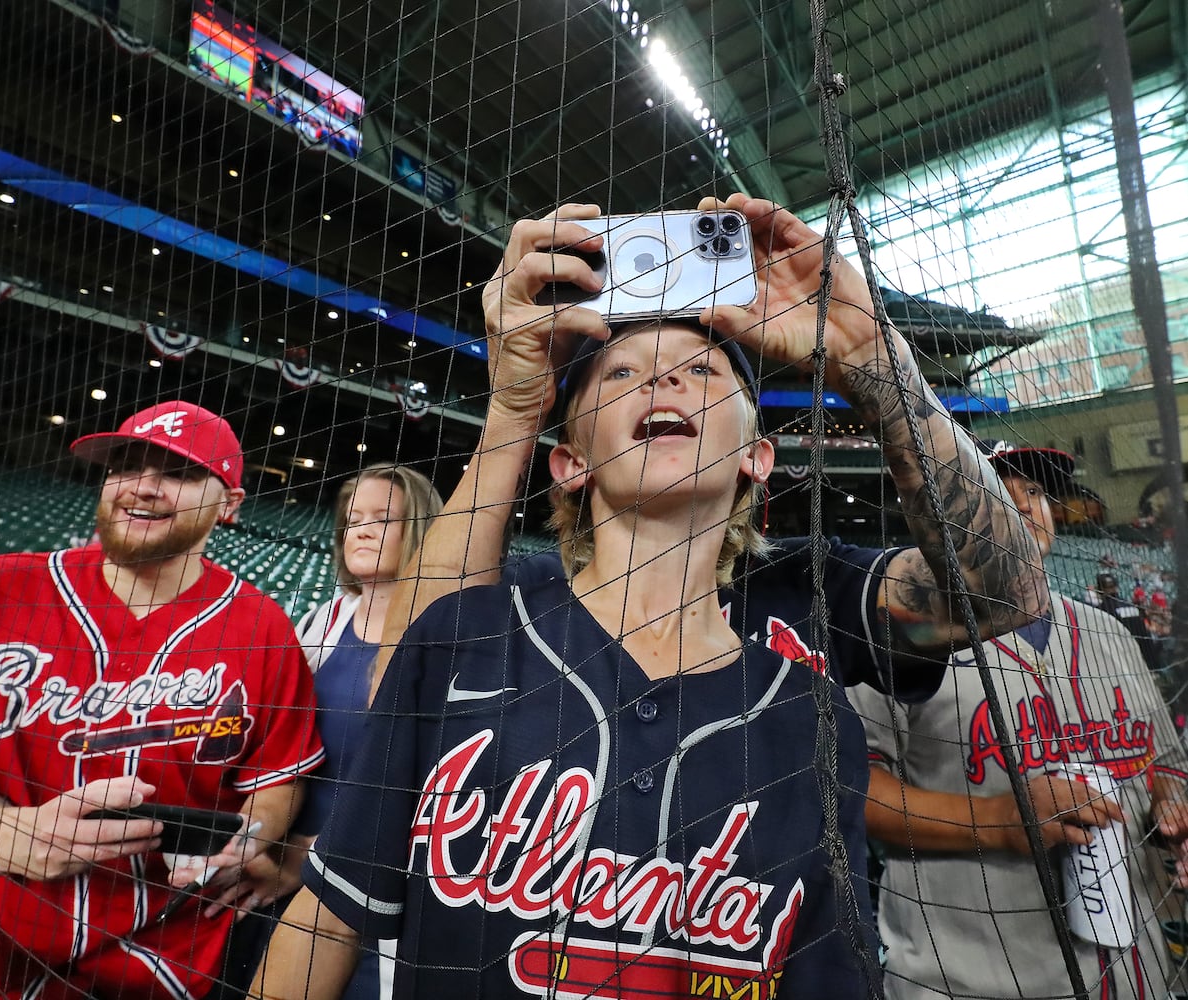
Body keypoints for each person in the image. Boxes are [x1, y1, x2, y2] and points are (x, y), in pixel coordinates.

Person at [250, 196, 1048, 1000]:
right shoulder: (489, 621)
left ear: (757, 458)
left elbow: (1002, 593)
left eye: (702, 370)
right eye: (621, 372)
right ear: (569, 465)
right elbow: (400, 693)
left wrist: (867, 354)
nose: (664, 378)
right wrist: (515, 408)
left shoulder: (812, 688)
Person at [0, 401, 325, 1000]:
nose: (142, 488)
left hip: (175, 964)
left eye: (178, 473)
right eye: (125, 465)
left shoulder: (264, 629)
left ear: (229, 504)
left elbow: (277, 778)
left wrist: (248, 841)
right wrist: (17, 834)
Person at [849, 442, 1188, 1000]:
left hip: (1139, 972)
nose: (1023, 506)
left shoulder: (1111, 634)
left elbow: (1167, 768)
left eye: (1033, 491)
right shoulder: (899, 632)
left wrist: (1171, 809)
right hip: (969, 977)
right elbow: (852, 789)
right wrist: (1000, 819)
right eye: (988, 490)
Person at [214, 463, 442, 1000]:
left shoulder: (452, 633)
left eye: (383, 519)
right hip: (282, 878)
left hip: (389, 891)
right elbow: (278, 751)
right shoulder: (323, 621)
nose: (360, 530)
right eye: (351, 519)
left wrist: (315, 855)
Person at [1095, 571, 1162, 670]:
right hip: (1141, 658)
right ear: (1116, 587)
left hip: (1121, 660)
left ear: (1100, 589)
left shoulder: (1102, 609)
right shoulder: (1131, 606)